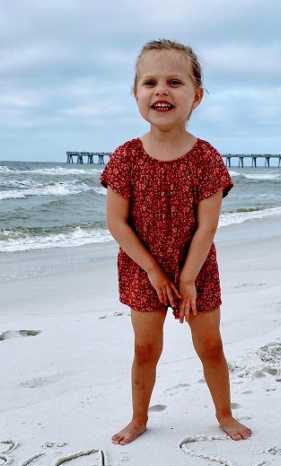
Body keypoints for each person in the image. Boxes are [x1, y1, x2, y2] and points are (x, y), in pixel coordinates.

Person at [101, 39, 252, 445]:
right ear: (136, 94)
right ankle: (138, 419)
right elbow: (116, 222)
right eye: (149, 82)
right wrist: (152, 270)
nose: (161, 90)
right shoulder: (126, 157)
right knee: (146, 349)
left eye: (174, 82)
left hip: (196, 267)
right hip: (141, 268)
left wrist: (187, 279)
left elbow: (207, 227)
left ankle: (224, 413)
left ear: (196, 96)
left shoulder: (206, 158)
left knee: (210, 346)